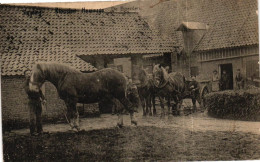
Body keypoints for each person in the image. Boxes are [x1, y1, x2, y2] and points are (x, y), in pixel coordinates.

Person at [24, 69, 46, 136]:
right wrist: (35, 89)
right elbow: (28, 91)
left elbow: (39, 91)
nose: (28, 75)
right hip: (31, 101)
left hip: (38, 101)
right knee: (32, 117)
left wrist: (43, 99)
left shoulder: (34, 82)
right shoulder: (26, 83)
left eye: (30, 73)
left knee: (39, 116)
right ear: (25, 76)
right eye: (27, 74)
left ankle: (40, 131)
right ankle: (32, 132)